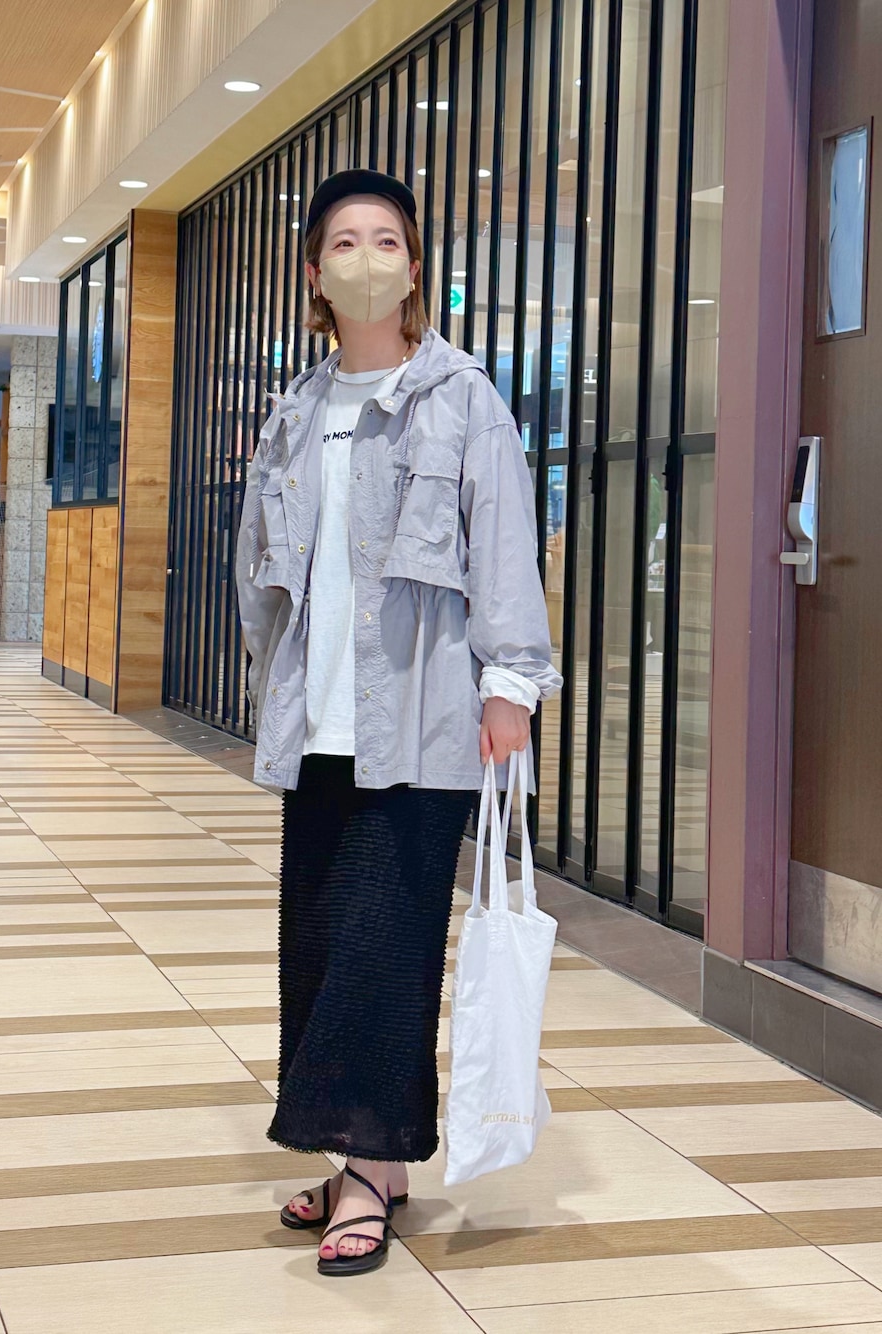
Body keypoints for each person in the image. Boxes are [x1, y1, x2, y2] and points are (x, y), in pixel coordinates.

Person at [236, 169, 561, 1278]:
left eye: (387, 240)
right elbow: (258, 575)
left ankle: (368, 1175)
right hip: (318, 726)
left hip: (421, 727)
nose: (367, 258)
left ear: (414, 268)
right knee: (321, 946)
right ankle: (367, 1157)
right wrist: (271, 688)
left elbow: (502, 545)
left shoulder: (460, 398)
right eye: (345, 241)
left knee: (385, 947)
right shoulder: (295, 412)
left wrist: (510, 686)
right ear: (315, 272)